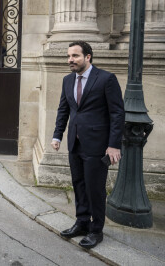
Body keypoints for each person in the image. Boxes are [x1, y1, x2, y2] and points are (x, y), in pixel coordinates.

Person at [51, 41, 124, 249]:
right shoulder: (67, 80)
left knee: (95, 189)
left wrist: (114, 145)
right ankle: (82, 223)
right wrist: (57, 135)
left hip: (97, 145)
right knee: (79, 185)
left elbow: (117, 113)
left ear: (88, 57)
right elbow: (63, 110)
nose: (70, 60)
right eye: (68, 56)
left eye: (75, 56)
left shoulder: (106, 79)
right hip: (74, 143)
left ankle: (96, 230)